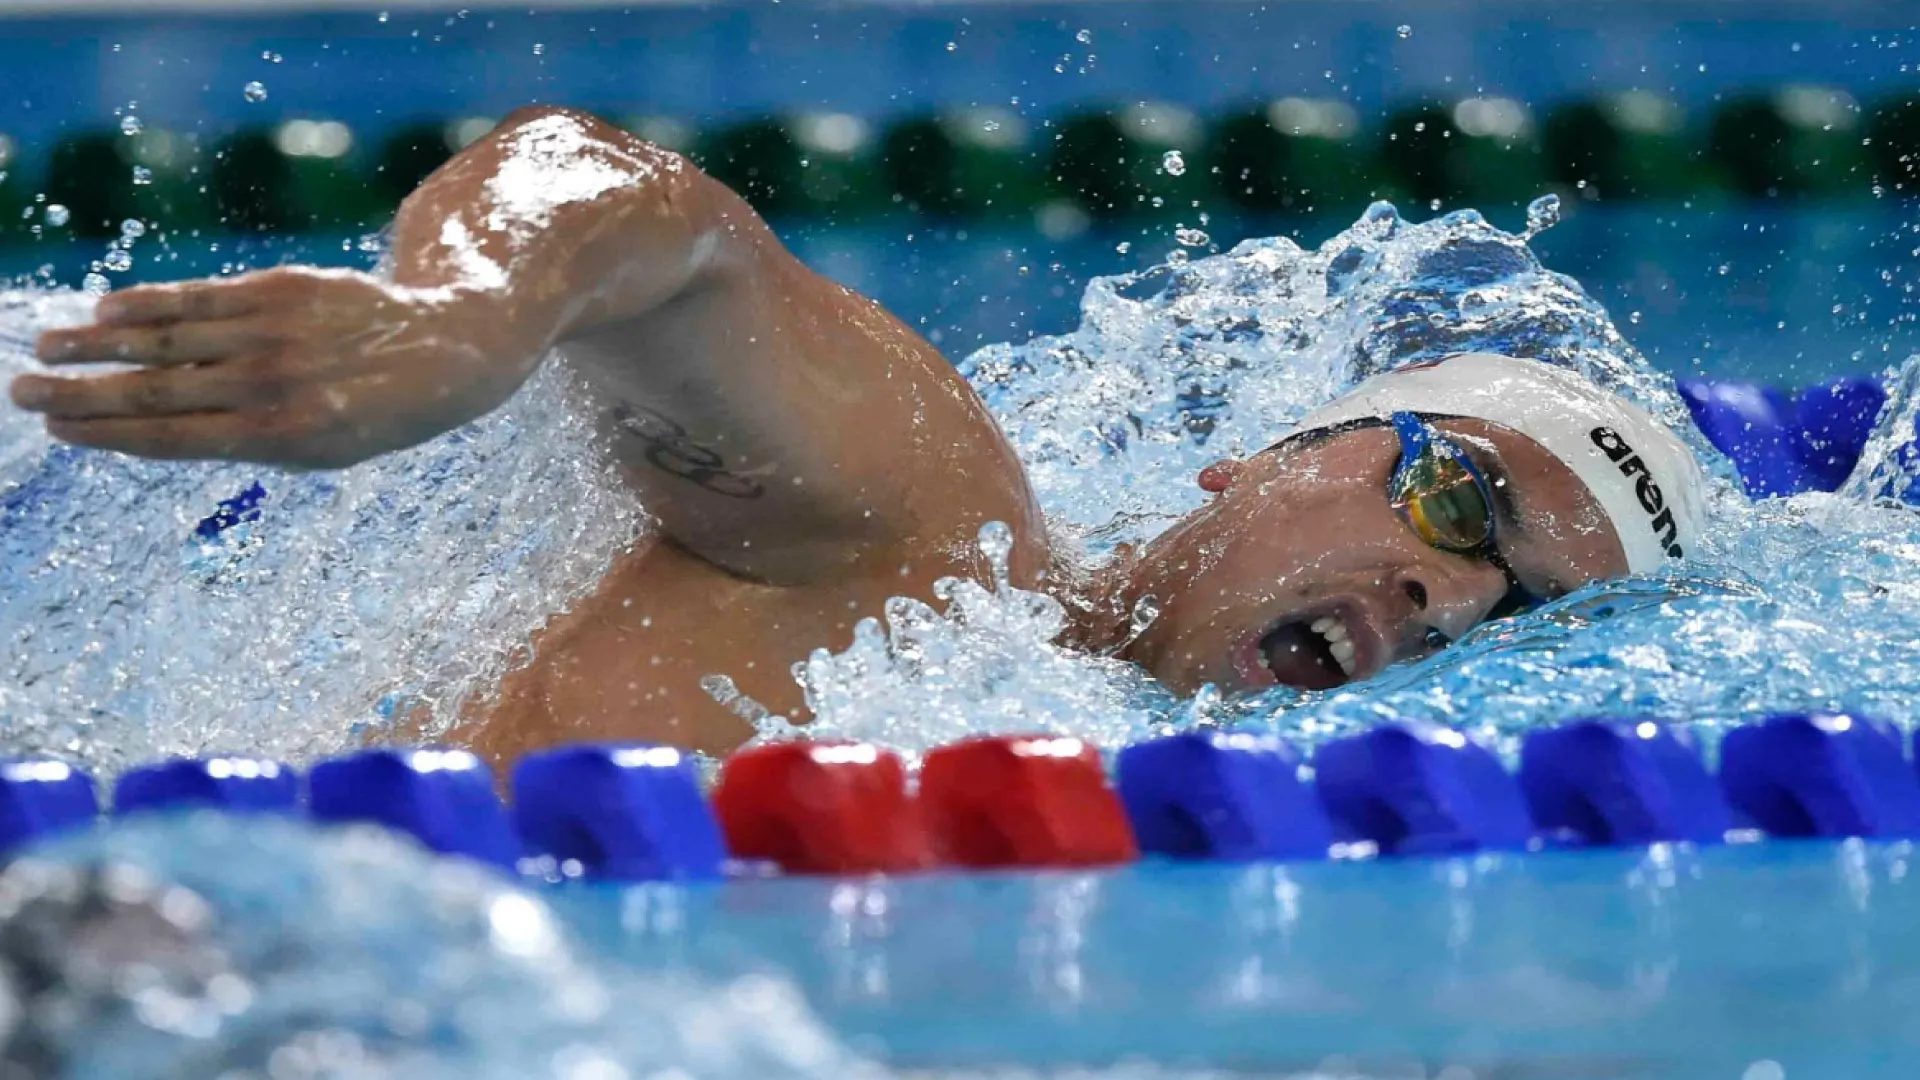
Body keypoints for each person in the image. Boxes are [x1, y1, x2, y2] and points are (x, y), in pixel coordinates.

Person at [6, 106, 1707, 764]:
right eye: (1459, 499)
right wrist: (458, 322)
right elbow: (627, 198)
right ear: (1261, 458)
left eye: (1524, 615)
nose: (1450, 599)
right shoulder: (930, 538)